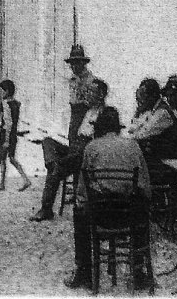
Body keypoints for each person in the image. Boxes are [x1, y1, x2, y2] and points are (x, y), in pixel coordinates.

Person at [66, 106, 152, 291]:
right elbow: (145, 186)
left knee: (78, 211)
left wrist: (84, 203)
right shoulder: (132, 146)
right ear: (117, 127)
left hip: (101, 215)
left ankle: (84, 271)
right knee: (142, 205)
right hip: (129, 216)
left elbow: (82, 191)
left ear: (99, 127)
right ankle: (138, 271)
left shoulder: (91, 147)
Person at [30, 45, 100, 222]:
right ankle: (53, 164)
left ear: (83, 63)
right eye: (72, 63)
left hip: (84, 140)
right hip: (73, 133)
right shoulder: (73, 81)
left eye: (78, 63)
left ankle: (47, 207)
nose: (75, 66)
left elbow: (88, 114)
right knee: (47, 142)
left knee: (62, 165)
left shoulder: (91, 83)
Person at [126, 78, 177, 185]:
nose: (140, 102)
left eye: (143, 97)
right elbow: (132, 130)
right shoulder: (150, 110)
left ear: (152, 96)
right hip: (157, 157)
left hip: (166, 161)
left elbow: (142, 134)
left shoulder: (162, 113)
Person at [0, 79, 32, 192]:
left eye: (2, 91)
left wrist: (6, 139)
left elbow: (8, 122)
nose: (1, 93)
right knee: (11, 158)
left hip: (6, 133)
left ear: (6, 91)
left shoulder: (5, 104)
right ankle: (25, 179)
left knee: (2, 158)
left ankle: (2, 184)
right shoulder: (16, 103)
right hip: (13, 134)